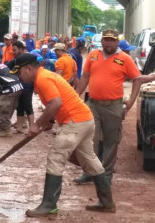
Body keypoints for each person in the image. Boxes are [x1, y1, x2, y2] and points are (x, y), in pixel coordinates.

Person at [10, 53, 116, 217]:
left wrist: (37, 124)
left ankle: (48, 206)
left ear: (29, 68)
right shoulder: (45, 76)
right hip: (85, 119)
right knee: (89, 160)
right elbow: (59, 102)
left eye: (19, 73)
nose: (19, 77)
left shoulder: (42, 79)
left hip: (75, 121)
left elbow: (56, 102)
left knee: (55, 158)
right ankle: (107, 202)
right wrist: (50, 120)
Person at [74, 29, 155, 184]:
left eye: (112, 40)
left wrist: (131, 101)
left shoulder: (124, 59)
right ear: (102, 41)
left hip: (113, 107)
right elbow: (85, 76)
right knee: (90, 139)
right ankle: (89, 172)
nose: (108, 43)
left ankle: (106, 176)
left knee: (110, 142)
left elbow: (137, 79)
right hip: (93, 104)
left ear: (117, 42)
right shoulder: (93, 55)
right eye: (106, 40)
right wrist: (75, 96)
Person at [8, 40, 34, 133]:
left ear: (21, 49)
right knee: (19, 107)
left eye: (15, 50)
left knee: (28, 106)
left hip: (28, 86)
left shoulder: (30, 57)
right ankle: (19, 127)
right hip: (19, 86)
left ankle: (31, 128)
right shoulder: (16, 59)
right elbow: (7, 67)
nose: (13, 52)